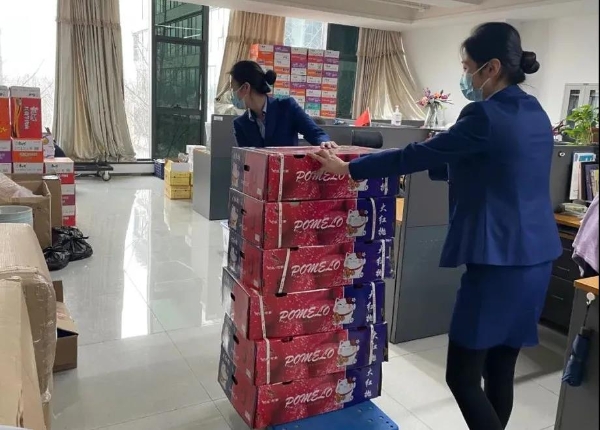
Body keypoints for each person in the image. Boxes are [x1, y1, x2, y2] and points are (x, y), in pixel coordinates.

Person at [310, 22, 562, 430]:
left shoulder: (483, 114)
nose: (466, 77)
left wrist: (350, 168)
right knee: (499, 368)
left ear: (492, 68)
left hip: (498, 263)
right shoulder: (535, 112)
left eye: (467, 67)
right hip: (537, 258)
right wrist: (444, 159)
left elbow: (414, 155)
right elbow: (498, 166)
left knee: (461, 376)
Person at [229, 60, 336, 148]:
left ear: (245, 87)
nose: (232, 94)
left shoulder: (287, 107)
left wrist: (325, 142)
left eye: (233, 89)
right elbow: (246, 159)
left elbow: (315, 133)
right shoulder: (240, 124)